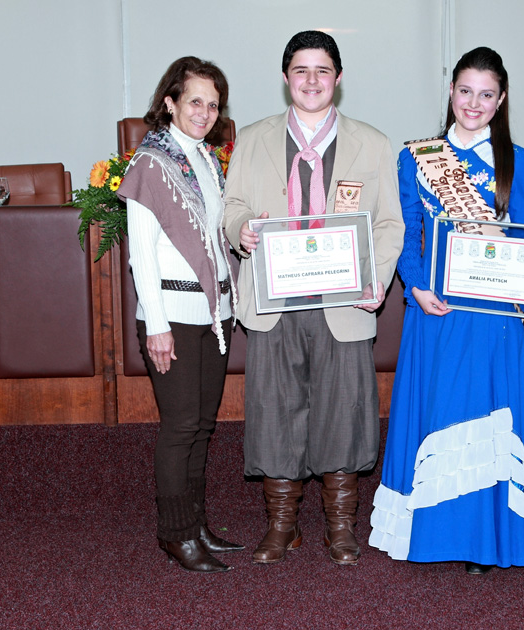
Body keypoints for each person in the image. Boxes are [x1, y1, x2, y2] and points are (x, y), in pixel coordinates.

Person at [368, 47, 524, 575]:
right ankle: (433, 533)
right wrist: (415, 286)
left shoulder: (520, 160)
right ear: (450, 91)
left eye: (486, 94)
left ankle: (486, 539)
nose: (473, 103)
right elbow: (408, 234)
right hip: (439, 311)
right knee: (441, 412)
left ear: (500, 101)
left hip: (495, 319)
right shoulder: (416, 157)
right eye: (465, 90)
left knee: (486, 414)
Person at [222, 30, 403, 566]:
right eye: (301, 71)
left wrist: (379, 277)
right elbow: (232, 207)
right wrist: (241, 232)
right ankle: (282, 527)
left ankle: (340, 527)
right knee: (275, 411)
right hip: (274, 302)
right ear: (286, 79)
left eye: (322, 71)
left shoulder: (373, 143)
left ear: (338, 79)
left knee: (344, 412)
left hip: (343, 304)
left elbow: (390, 223)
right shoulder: (251, 139)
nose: (311, 81)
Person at [117, 56, 241, 573]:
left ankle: (195, 524)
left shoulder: (208, 160)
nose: (205, 112)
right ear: (169, 101)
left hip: (214, 312)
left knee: (204, 425)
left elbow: (215, 236)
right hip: (173, 312)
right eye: (195, 100)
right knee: (181, 425)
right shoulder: (149, 163)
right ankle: (175, 535)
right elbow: (140, 254)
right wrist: (158, 324)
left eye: (213, 104)